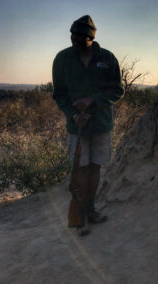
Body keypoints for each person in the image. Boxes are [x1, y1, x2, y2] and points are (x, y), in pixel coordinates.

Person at [52, 15, 124, 236]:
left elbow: (117, 91)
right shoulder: (62, 59)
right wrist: (74, 114)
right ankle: (79, 216)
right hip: (77, 127)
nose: (75, 41)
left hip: (101, 124)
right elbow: (59, 95)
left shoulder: (107, 58)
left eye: (80, 38)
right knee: (79, 171)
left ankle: (91, 210)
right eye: (72, 36)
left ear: (91, 37)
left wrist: (92, 101)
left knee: (94, 169)